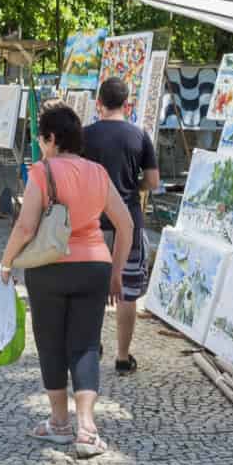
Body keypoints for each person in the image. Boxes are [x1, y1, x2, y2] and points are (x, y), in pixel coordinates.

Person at [0, 101, 135, 459]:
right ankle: (87, 430)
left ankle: (59, 424)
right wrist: (116, 271)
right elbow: (126, 225)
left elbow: (26, 226)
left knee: (51, 343)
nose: (42, 145)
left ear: (52, 138)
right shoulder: (98, 173)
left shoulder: (43, 172)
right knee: (86, 345)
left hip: (49, 267)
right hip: (95, 267)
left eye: (43, 139)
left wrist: (6, 263)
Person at [81, 77, 161, 374]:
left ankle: (91, 344)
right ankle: (123, 357)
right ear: (128, 104)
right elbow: (153, 181)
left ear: (98, 103)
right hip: (128, 222)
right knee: (127, 291)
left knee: (92, 288)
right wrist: (131, 186)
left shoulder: (84, 135)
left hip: (91, 222)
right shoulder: (139, 136)